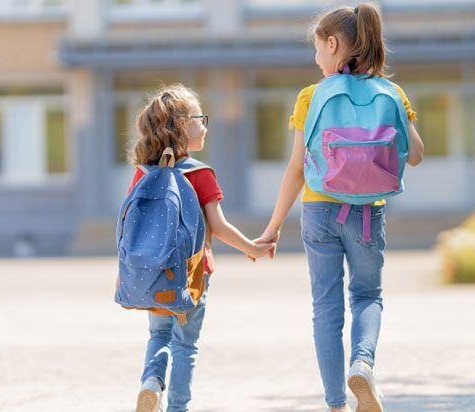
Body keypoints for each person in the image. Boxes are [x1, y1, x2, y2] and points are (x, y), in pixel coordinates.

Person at [254, 4, 425, 411]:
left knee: (326, 308)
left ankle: (336, 404)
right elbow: (416, 155)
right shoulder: (391, 92)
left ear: (333, 45)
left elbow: (296, 169)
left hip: (320, 212)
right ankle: (362, 364)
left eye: (317, 49)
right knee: (367, 295)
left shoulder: (312, 96)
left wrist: (273, 226)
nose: (316, 59)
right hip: (368, 213)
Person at [126, 84, 273, 412]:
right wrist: (252, 247)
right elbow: (218, 227)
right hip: (192, 274)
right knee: (185, 347)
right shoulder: (200, 173)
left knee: (159, 336)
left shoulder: (142, 173)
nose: (205, 125)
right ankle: (179, 408)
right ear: (180, 126)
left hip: (151, 273)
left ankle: (151, 382)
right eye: (199, 118)